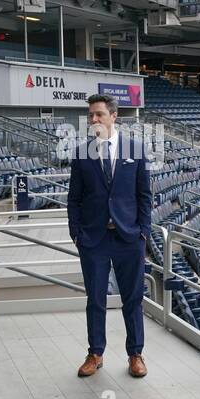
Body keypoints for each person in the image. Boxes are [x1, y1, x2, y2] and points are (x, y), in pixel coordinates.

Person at [67, 94, 151, 379]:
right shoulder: (81, 153)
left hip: (129, 238)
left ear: (114, 116)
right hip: (94, 239)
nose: (93, 120)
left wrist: (144, 232)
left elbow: (144, 196)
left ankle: (135, 354)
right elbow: (74, 199)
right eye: (91, 115)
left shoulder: (136, 150)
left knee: (133, 298)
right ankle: (95, 353)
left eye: (99, 115)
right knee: (95, 299)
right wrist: (76, 233)